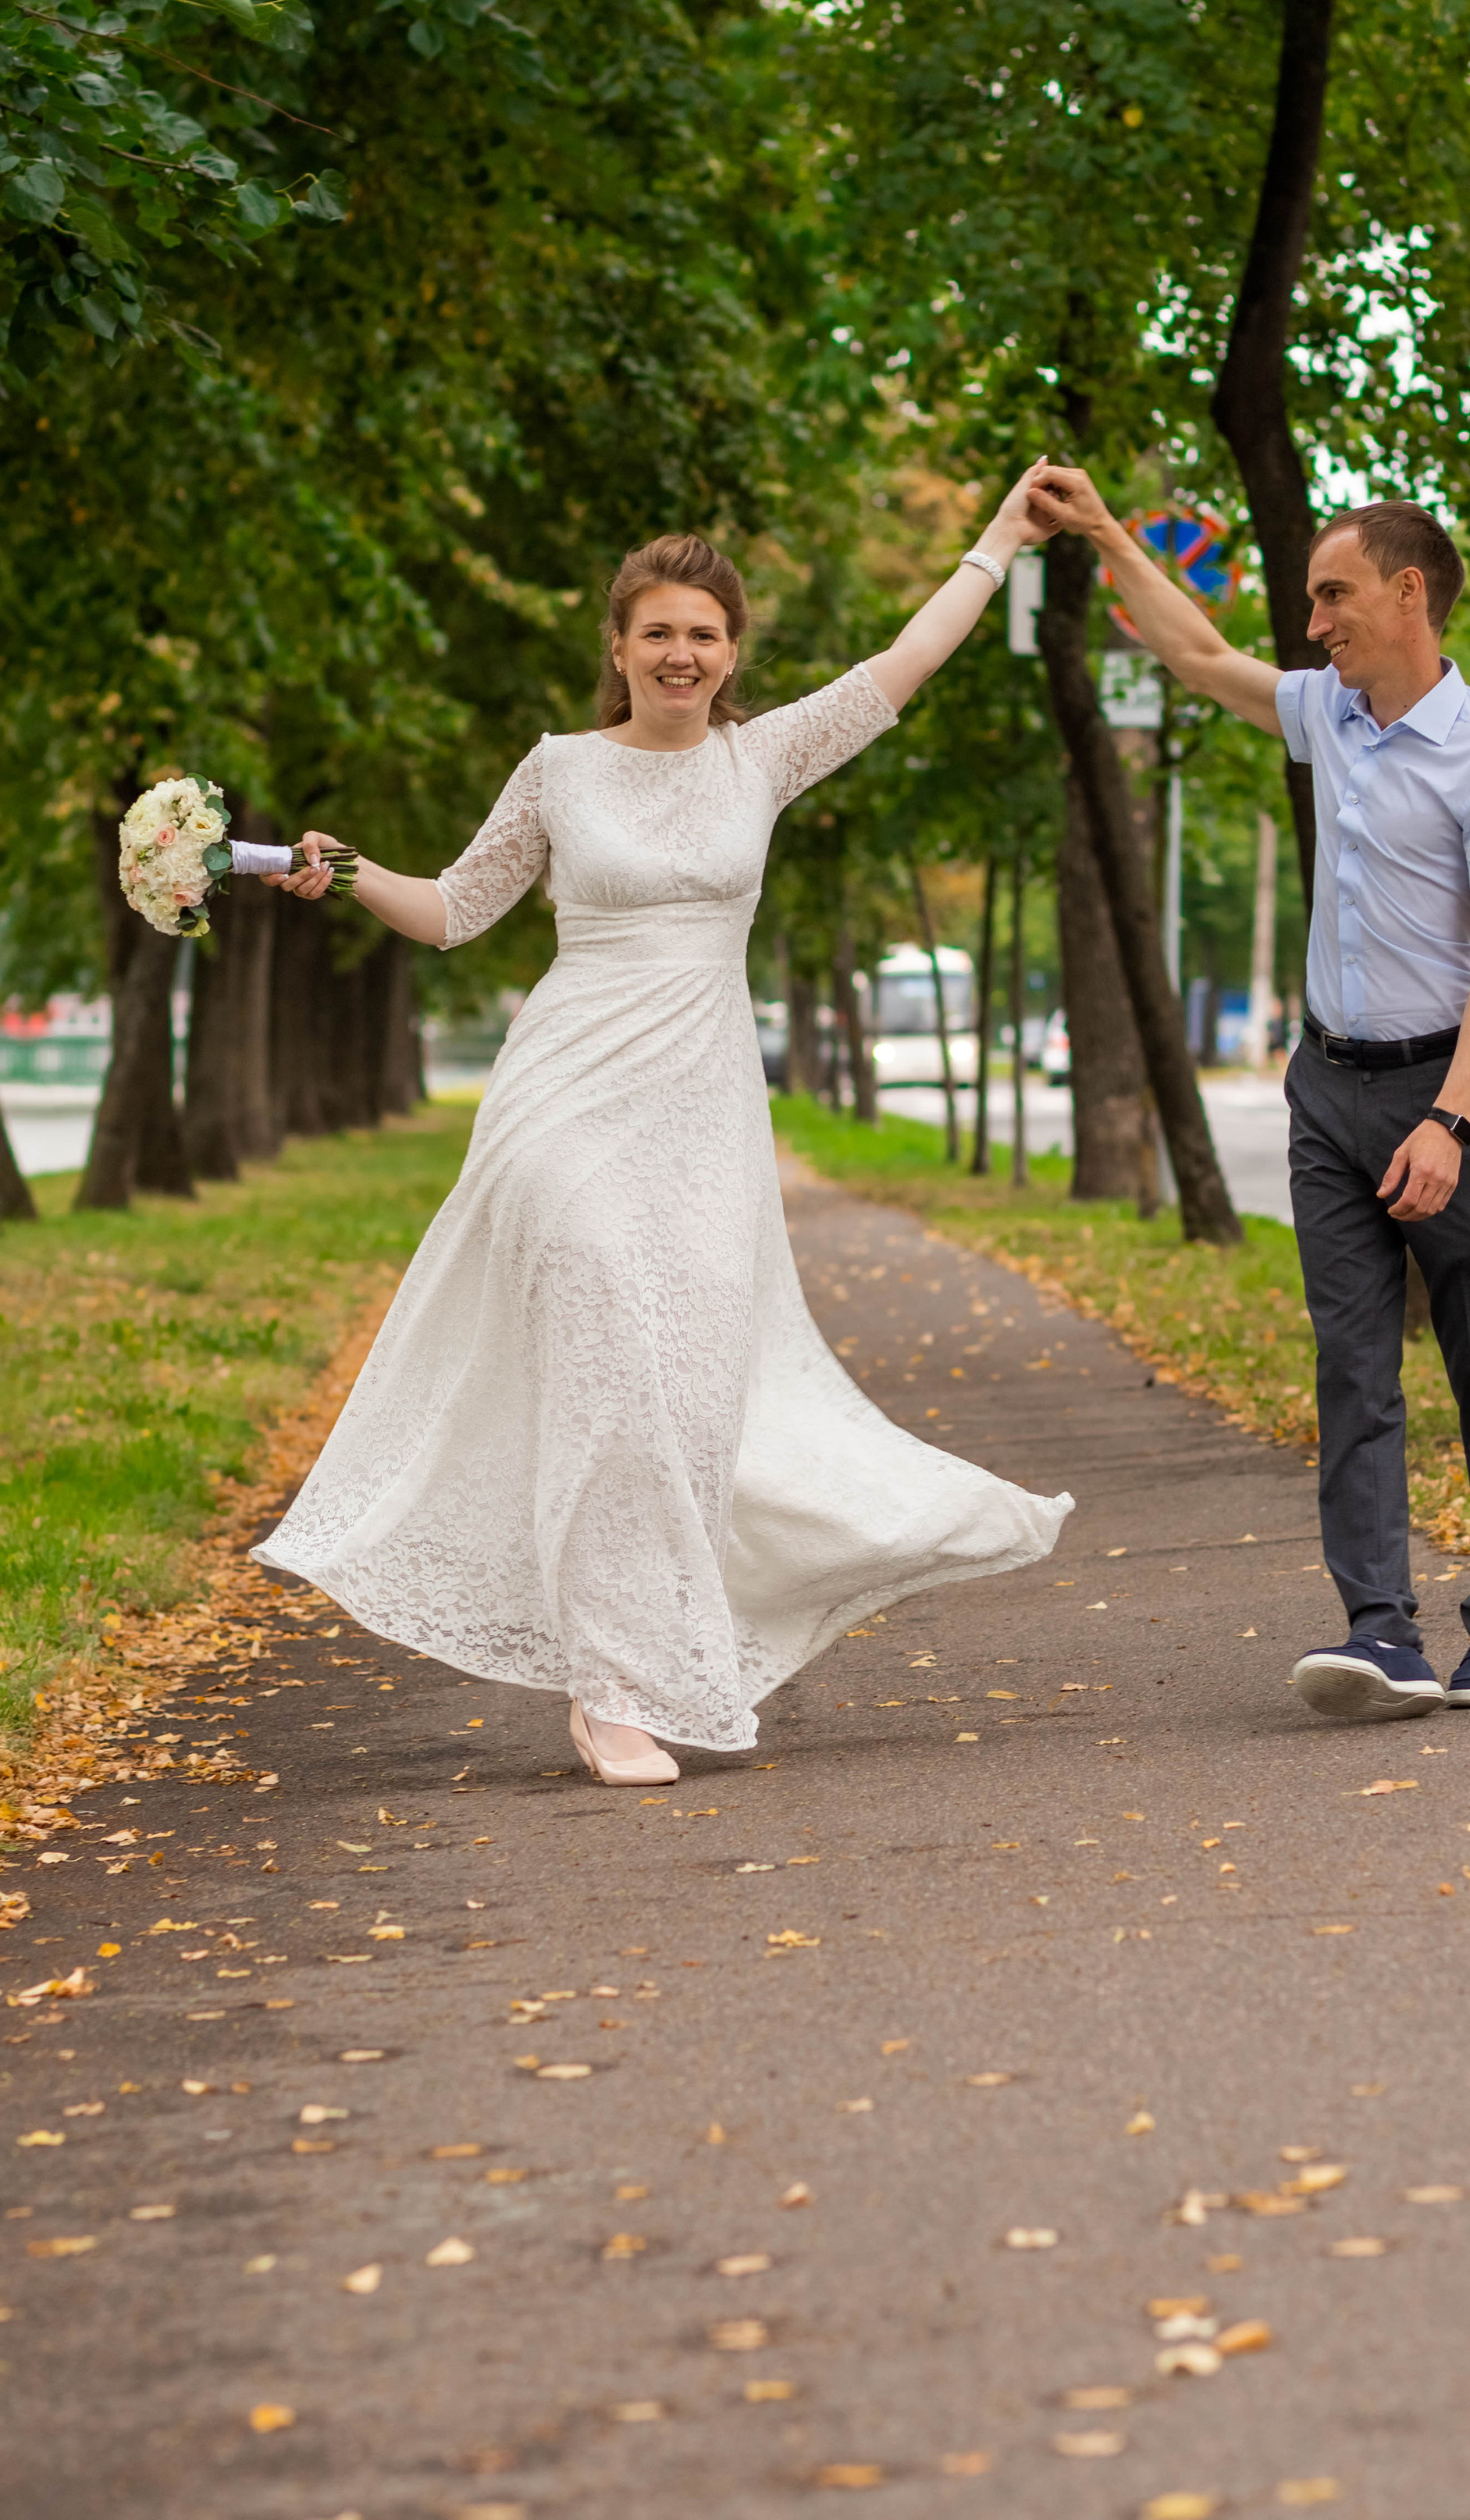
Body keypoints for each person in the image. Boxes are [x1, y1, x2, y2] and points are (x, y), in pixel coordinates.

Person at [251, 506, 1072, 1784]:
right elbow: (460, 909)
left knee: (686, 1394)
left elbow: (910, 659)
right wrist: (344, 869)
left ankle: (651, 1644)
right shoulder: (559, 769)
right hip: (564, 1107)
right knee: (605, 1377)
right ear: (619, 649)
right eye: (658, 635)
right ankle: (611, 1687)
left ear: (732, 654)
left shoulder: (767, 759)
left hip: (702, 1122)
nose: (681, 655)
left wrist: (1001, 542)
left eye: (704, 635)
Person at [1023, 469, 1470, 1726]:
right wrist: (1107, 531)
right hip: (1327, 1091)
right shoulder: (1330, 716)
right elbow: (1198, 653)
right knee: (1354, 1370)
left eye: (1336, 595)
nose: (1314, 622)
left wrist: (1451, 1120)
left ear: (1409, 593)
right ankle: (1381, 1631)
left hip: (1446, 1093)